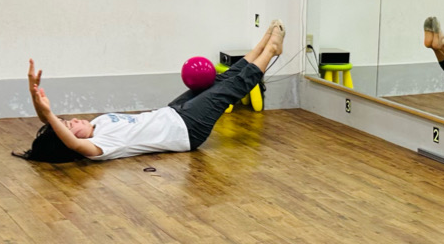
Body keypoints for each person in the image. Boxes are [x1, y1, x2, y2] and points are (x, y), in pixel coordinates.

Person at [14, 21, 284, 163]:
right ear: (69, 141)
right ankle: (271, 50)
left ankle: (263, 44)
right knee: (228, 90)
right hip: (186, 132)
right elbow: (70, 142)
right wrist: (51, 116)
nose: (72, 120)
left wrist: (33, 93)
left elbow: (47, 122)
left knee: (220, 80)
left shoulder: (97, 126)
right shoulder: (98, 148)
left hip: (172, 113)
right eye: (68, 126)